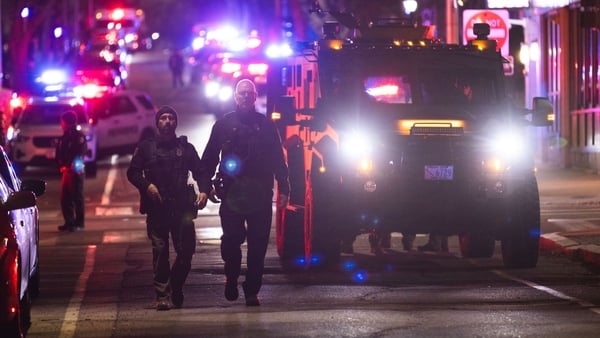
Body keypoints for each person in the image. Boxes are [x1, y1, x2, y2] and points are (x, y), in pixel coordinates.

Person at [199, 79, 290, 306]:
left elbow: (278, 159)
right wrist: (205, 185)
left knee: (258, 246)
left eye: (250, 93)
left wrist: (284, 187)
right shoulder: (222, 125)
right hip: (232, 194)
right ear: (235, 96)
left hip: (259, 194)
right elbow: (208, 159)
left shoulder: (267, 126)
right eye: (242, 93)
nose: (246, 97)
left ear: (255, 95)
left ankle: (251, 291)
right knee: (231, 241)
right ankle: (231, 276)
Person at [127, 106, 208, 311]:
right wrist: (147, 186)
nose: (167, 121)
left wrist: (205, 191)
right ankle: (162, 294)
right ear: (157, 122)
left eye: (171, 118)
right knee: (160, 251)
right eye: (163, 118)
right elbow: (133, 172)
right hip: (158, 209)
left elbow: (201, 172)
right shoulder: (146, 148)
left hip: (182, 209)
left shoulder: (185, 149)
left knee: (186, 252)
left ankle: (176, 285)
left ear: (176, 123)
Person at [56, 111, 88, 232]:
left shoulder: (77, 136)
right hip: (66, 170)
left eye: (63, 122)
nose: (61, 124)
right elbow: (60, 152)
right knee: (65, 198)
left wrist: (72, 165)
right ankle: (69, 222)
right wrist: (61, 164)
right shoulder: (65, 136)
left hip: (75, 170)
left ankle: (79, 223)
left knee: (77, 196)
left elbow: (80, 152)